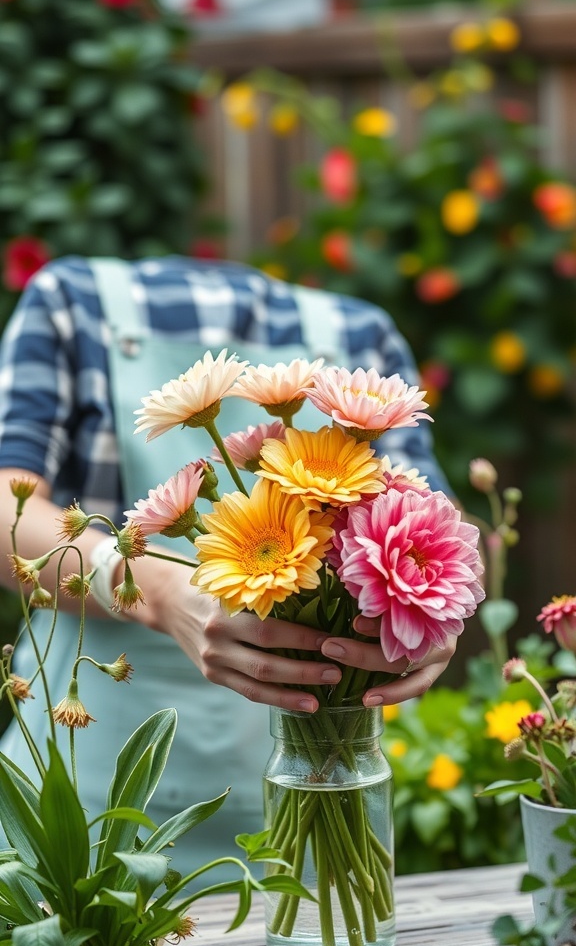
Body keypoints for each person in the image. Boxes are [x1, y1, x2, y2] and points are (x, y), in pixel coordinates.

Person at [0, 254, 456, 880]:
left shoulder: (362, 338)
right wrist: (157, 590)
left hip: (318, 791)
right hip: (88, 805)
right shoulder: (68, 303)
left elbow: (433, 515)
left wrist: (436, 602)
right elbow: (7, 509)